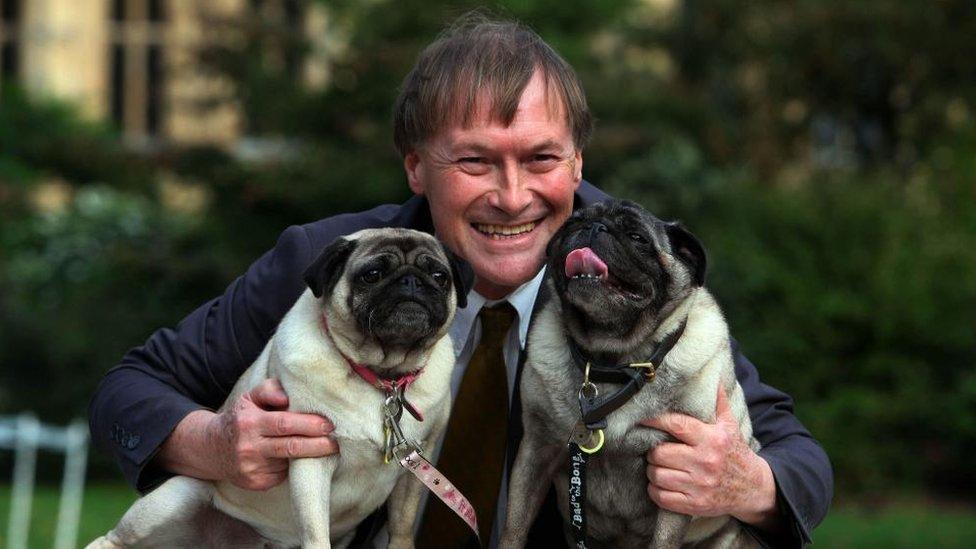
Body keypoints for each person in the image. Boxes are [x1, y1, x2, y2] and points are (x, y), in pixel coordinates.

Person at [89, 15, 832, 548]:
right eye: (476, 162)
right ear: (416, 165)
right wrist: (214, 443)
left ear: (579, 162)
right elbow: (128, 390)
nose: (512, 196)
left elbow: (800, 459)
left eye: (541, 159)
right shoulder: (326, 262)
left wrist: (746, 484)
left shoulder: (641, 280)